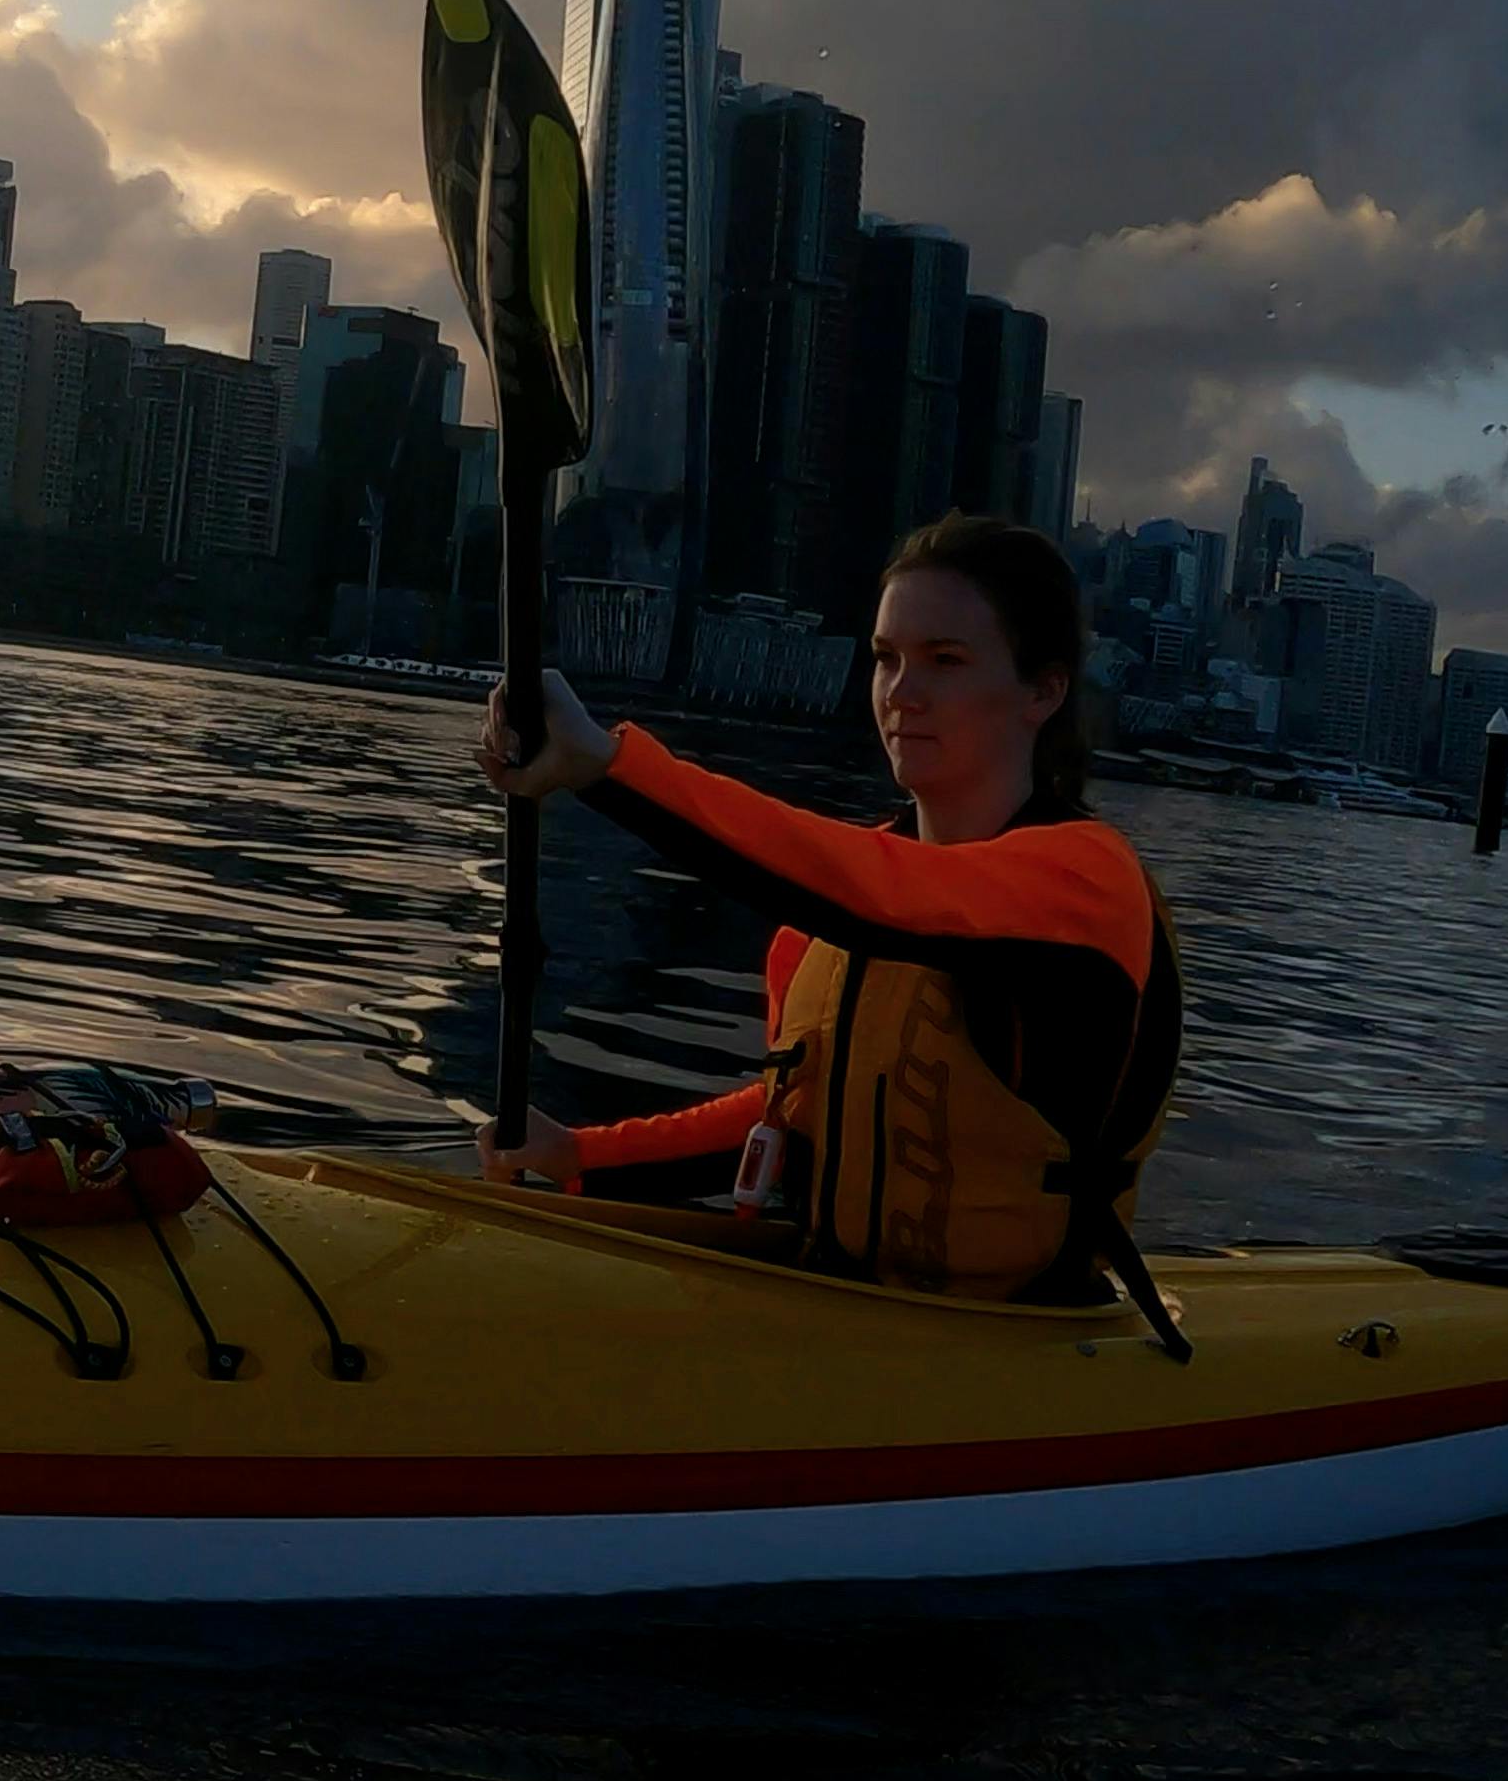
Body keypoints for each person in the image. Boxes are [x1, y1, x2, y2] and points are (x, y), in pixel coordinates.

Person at [469, 514, 1187, 1331]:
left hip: (1018, 1339)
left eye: (945, 661)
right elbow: (791, 1109)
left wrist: (607, 766)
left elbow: (889, 894)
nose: (901, 693)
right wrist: (582, 1157)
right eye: (886, 659)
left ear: (1043, 691)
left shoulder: (1084, 879)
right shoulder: (829, 912)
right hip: (838, 1303)